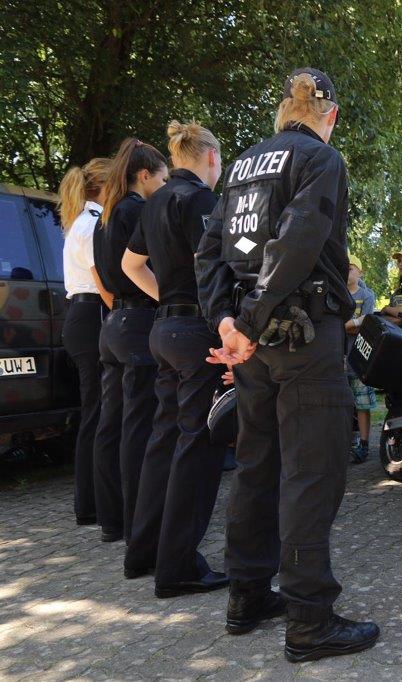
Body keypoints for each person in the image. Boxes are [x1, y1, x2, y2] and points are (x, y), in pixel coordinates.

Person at [196, 67, 379, 660]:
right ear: (330, 115)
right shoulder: (321, 159)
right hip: (302, 339)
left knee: (257, 467)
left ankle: (246, 595)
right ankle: (309, 621)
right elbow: (299, 239)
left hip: (253, 348)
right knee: (311, 474)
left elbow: (211, 252)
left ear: (283, 111)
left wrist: (228, 324)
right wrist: (242, 325)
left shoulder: (245, 164)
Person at [120, 121, 228, 597]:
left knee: (163, 440)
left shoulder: (155, 199)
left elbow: (129, 265)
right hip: (194, 333)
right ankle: (178, 566)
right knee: (198, 446)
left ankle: (143, 552)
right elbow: (216, 269)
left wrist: (168, 299)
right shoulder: (199, 200)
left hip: (161, 329)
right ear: (210, 157)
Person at [92, 138, 168, 544]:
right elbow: (150, 263)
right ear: (144, 176)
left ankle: (112, 520)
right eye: (162, 178)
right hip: (139, 318)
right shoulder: (138, 209)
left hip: (112, 323)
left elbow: (101, 275)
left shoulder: (105, 214)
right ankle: (141, 523)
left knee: (113, 424)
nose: (165, 185)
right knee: (139, 426)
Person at [57, 157, 112, 526]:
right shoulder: (91, 225)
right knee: (96, 411)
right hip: (91, 314)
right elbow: (103, 282)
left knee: (92, 409)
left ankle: (88, 502)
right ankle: (90, 503)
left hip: (79, 317)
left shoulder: (79, 222)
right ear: (104, 188)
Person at [344, 254, 376, 464]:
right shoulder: (338, 293)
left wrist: (350, 323)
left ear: (360, 272)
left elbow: (367, 321)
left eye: (351, 268)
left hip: (360, 355)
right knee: (343, 403)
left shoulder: (367, 295)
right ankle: (345, 442)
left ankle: (364, 444)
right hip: (339, 355)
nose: (347, 271)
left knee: (363, 403)